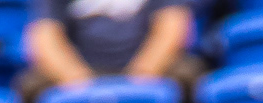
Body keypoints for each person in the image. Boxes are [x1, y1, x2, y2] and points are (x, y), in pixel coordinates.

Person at [26, 0, 196, 87]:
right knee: (31, 86)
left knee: (188, 74)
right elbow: (45, 34)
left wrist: (144, 72)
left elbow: (172, 24)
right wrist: (76, 79)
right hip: (82, 70)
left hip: (147, 66)